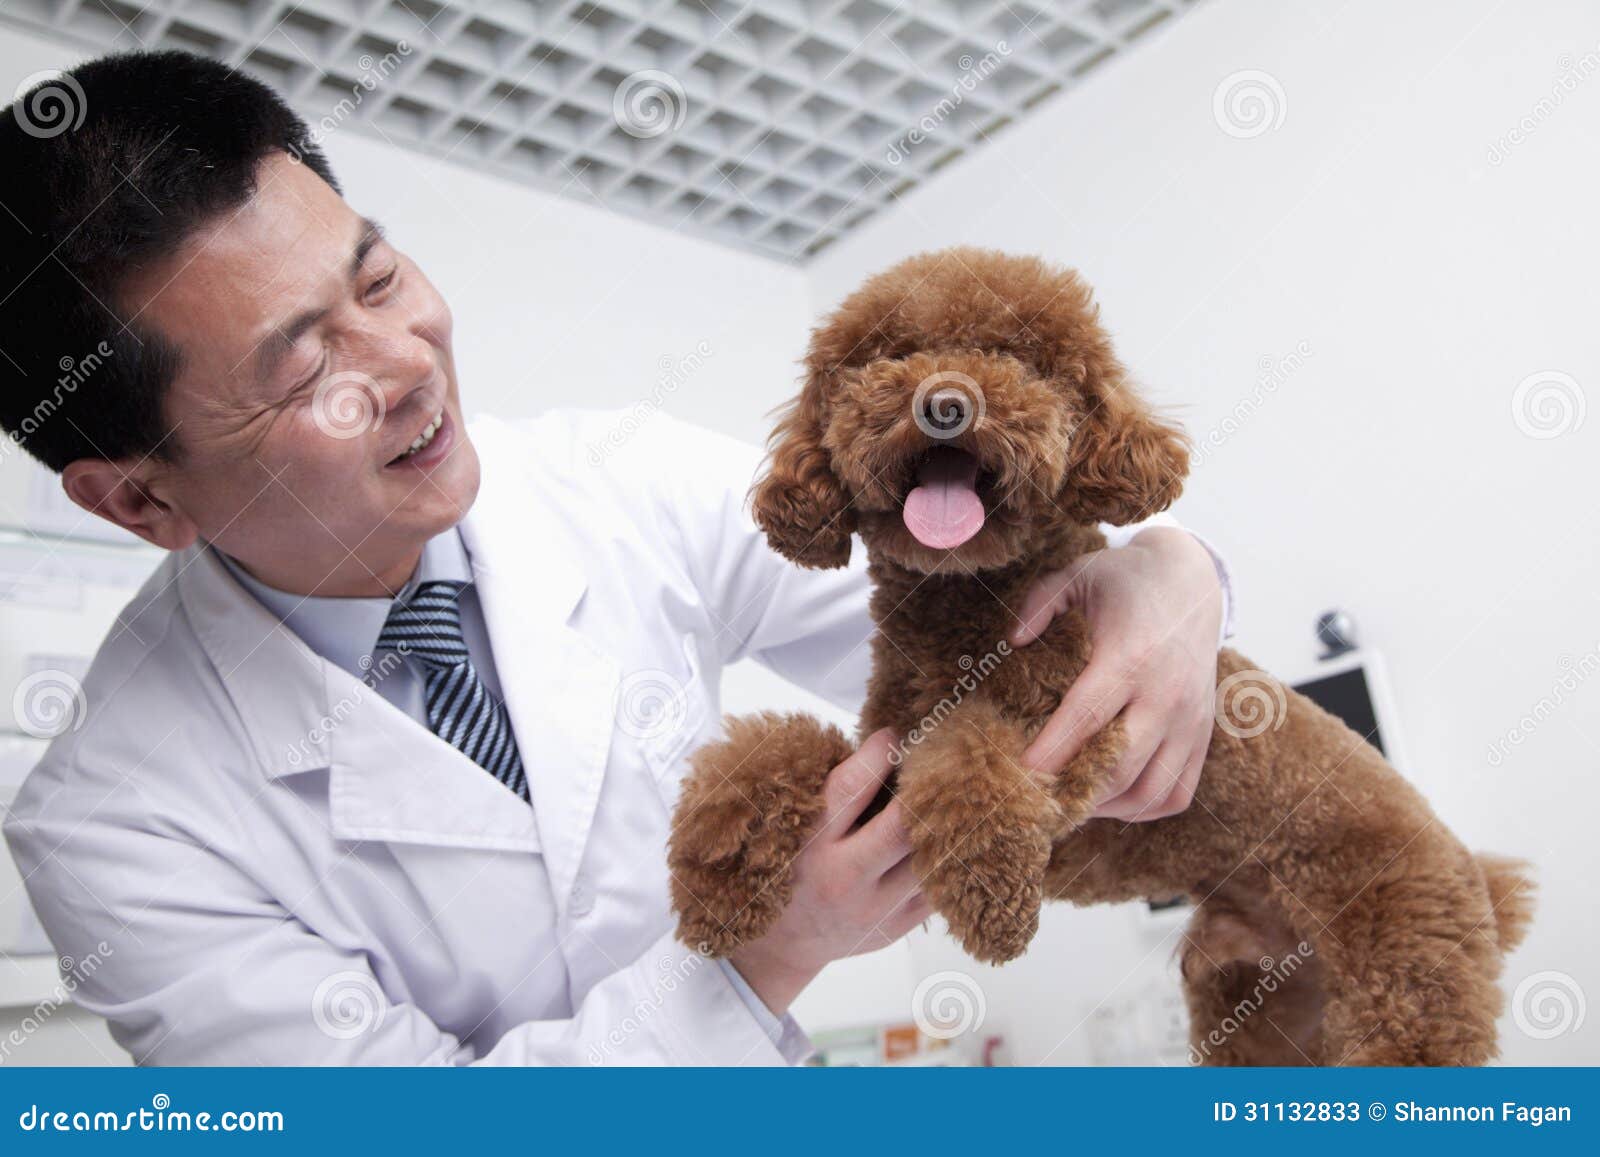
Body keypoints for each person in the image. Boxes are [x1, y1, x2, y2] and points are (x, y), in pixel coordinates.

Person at [0, 51, 1232, 1065]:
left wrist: (1174, 571)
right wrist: (766, 957)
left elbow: (990, 621)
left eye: (378, 277)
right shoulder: (116, 820)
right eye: (307, 369)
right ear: (138, 497)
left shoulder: (618, 480)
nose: (406, 362)